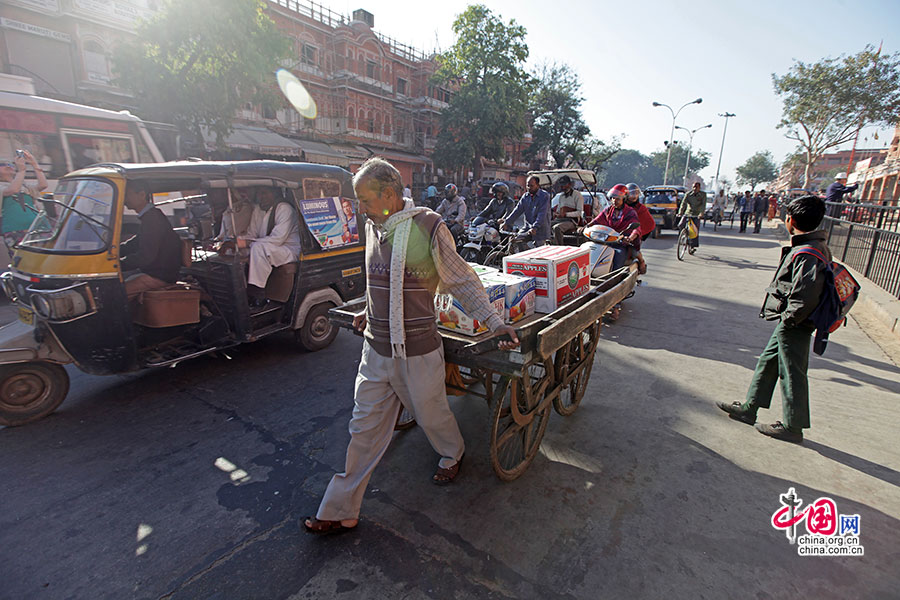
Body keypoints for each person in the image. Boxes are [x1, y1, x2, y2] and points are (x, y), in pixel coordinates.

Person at [304, 157, 519, 535]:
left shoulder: (429, 226)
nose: (360, 208)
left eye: (366, 200)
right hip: (376, 351)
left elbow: (461, 281)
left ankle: (453, 453)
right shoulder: (374, 226)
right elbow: (378, 280)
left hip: (418, 350)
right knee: (362, 430)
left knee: (431, 414)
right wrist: (370, 314)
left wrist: (496, 322)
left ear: (389, 194)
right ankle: (340, 509)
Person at [716, 195, 829, 444]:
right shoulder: (811, 246)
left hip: (796, 323)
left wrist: (789, 321)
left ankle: (793, 425)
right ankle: (750, 408)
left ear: (792, 220)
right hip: (791, 321)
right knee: (767, 363)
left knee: (791, 373)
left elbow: (804, 295)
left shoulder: (807, 253)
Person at [120, 182, 184, 300]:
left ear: (142, 194)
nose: (124, 199)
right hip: (154, 272)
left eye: (127, 195)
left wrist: (118, 265)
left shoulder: (152, 219)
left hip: (159, 276)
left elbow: (146, 256)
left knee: (115, 294)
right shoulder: (150, 217)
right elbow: (135, 243)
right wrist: (116, 252)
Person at [239, 187, 301, 307]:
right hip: (269, 246)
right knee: (242, 250)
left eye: (265, 193)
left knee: (258, 248)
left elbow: (277, 239)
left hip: (288, 249)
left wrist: (246, 243)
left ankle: (258, 293)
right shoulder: (258, 209)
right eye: (259, 194)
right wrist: (237, 241)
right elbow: (252, 234)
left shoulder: (284, 208)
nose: (261, 197)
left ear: (275, 193)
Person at [584, 183, 641, 270]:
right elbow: (597, 220)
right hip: (606, 241)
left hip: (621, 243)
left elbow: (636, 229)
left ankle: (615, 278)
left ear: (624, 199)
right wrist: (586, 227)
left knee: (619, 255)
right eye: (613, 198)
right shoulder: (608, 210)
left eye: (618, 198)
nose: (614, 201)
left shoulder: (630, 212)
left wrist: (630, 238)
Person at [1, 150, 49, 250]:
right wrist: (21, 170)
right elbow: (13, 190)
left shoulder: (24, 185)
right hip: (15, 229)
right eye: (2, 164)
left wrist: (34, 163)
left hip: (37, 227)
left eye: (10, 164)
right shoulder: (3, 186)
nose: (8, 165)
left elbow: (43, 185)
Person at [500, 175, 551, 248]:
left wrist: (535, 227)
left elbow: (542, 214)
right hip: (527, 227)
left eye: (532, 186)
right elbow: (517, 211)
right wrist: (506, 222)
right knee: (516, 240)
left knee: (540, 252)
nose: (529, 188)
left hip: (540, 230)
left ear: (538, 185)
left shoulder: (544, 196)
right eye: (528, 185)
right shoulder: (525, 197)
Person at [623, 183, 651, 274]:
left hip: (634, 233)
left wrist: (637, 235)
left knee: (634, 251)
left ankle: (642, 262)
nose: (634, 196)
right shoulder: (620, 207)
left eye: (636, 193)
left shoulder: (641, 208)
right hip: (619, 233)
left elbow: (648, 223)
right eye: (632, 193)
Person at [550, 174, 583, 245]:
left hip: (572, 221)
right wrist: (556, 214)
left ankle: (559, 247)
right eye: (561, 185)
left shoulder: (577, 195)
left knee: (557, 228)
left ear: (570, 184)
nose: (562, 187)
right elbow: (558, 211)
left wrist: (566, 214)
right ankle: (549, 244)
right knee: (546, 225)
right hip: (560, 219)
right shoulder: (561, 196)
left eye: (564, 185)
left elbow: (580, 212)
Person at [678, 181, 705, 251]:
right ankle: (683, 236)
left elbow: (703, 205)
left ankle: (692, 246)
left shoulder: (703, 195)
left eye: (696, 187)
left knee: (695, 230)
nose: (694, 188)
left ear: (699, 188)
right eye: (693, 187)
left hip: (696, 214)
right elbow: (683, 204)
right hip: (688, 213)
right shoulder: (688, 194)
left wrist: (701, 214)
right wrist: (680, 212)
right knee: (680, 224)